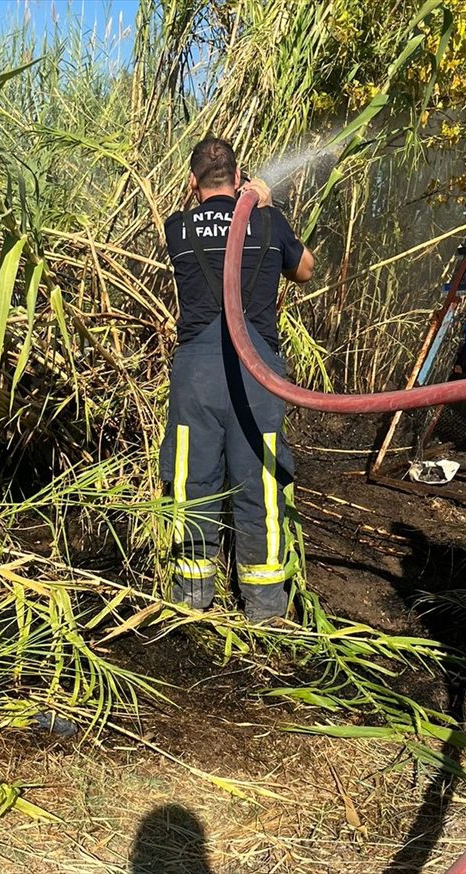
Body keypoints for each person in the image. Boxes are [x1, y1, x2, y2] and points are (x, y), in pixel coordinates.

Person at [158, 136, 315, 621]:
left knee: (192, 479)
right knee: (260, 480)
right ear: (240, 175)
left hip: (197, 376)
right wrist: (263, 201)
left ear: (191, 182)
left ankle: (190, 598)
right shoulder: (268, 220)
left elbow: (205, 227)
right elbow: (306, 269)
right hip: (258, 371)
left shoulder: (178, 227)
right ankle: (265, 606)